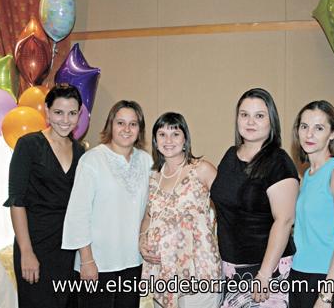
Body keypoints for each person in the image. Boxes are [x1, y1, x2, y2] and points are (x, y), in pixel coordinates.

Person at [210, 88, 299, 307]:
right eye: (244, 114)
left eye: (259, 115)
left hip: (266, 270)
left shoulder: (278, 161)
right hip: (231, 270)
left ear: (272, 121)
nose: (250, 121)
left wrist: (265, 274)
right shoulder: (230, 155)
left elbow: (285, 220)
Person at [62, 100, 152, 308]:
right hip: (97, 263)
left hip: (132, 262)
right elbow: (78, 214)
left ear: (140, 129)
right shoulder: (92, 160)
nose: (127, 129)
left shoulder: (147, 161)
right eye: (120, 123)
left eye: (133, 124)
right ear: (111, 125)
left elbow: (150, 209)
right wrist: (86, 260)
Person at [4, 84, 85, 308]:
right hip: (36, 244)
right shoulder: (29, 145)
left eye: (72, 113)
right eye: (58, 112)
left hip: (68, 249)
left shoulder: (81, 152)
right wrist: (26, 252)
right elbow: (17, 201)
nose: (65, 120)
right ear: (47, 112)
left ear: (79, 114)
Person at [140, 112, 221, 308]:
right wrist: (142, 239)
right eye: (162, 134)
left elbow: (229, 207)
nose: (168, 140)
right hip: (162, 271)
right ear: (155, 141)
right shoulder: (153, 177)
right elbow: (149, 216)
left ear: (185, 139)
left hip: (199, 270)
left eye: (175, 134)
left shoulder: (201, 169)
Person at [289, 100, 334, 308]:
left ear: (332, 133)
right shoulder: (307, 175)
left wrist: (326, 296)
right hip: (299, 275)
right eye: (304, 126)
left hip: (326, 280)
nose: (309, 135)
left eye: (319, 128)